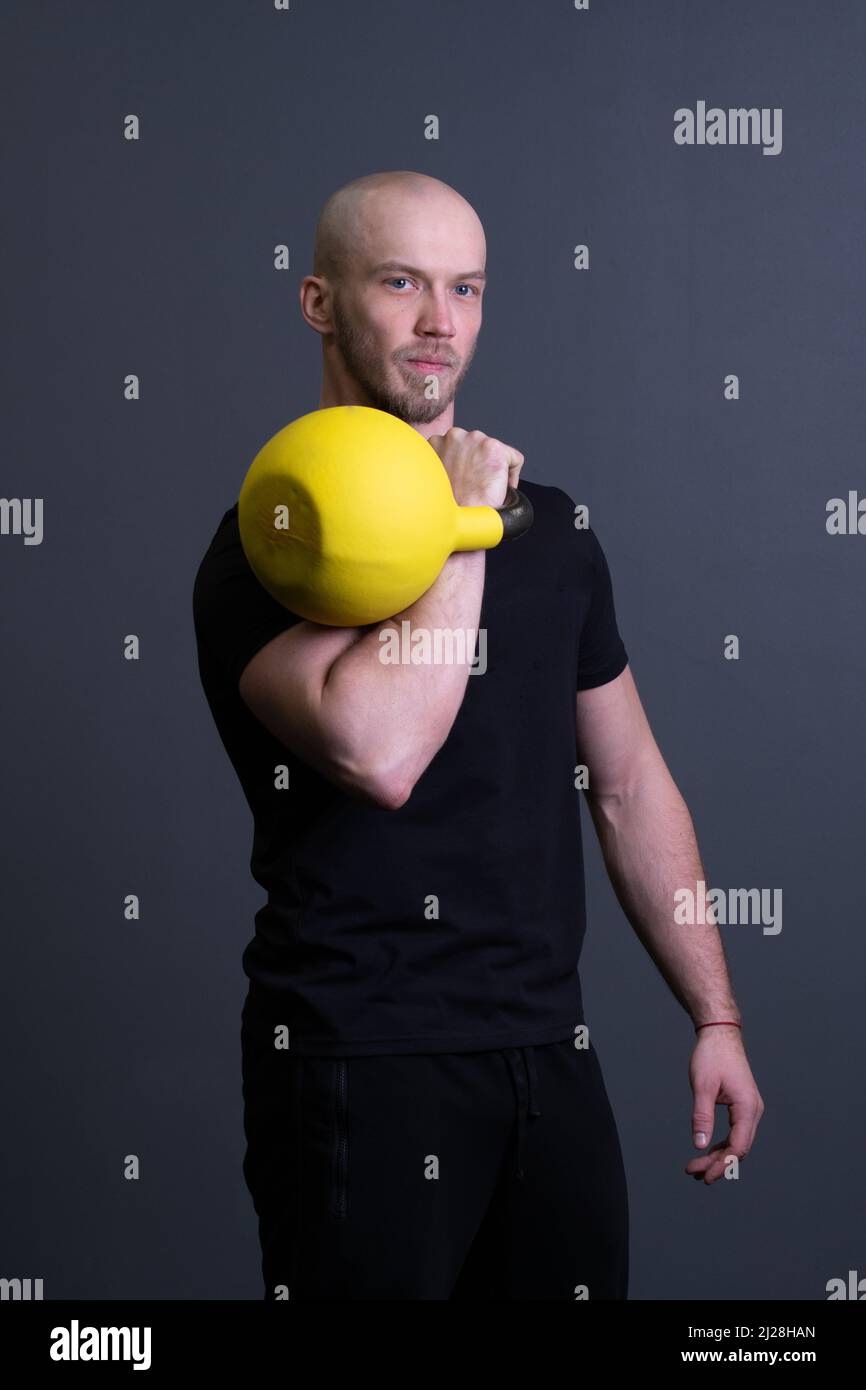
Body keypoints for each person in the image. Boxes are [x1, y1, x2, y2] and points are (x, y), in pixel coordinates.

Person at [192, 170, 764, 1301]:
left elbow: (631, 782)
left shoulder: (551, 538)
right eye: (400, 282)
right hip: (357, 1054)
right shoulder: (271, 542)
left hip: (550, 1056)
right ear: (318, 302)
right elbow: (381, 752)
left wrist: (714, 1011)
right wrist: (460, 533)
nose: (438, 322)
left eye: (466, 288)